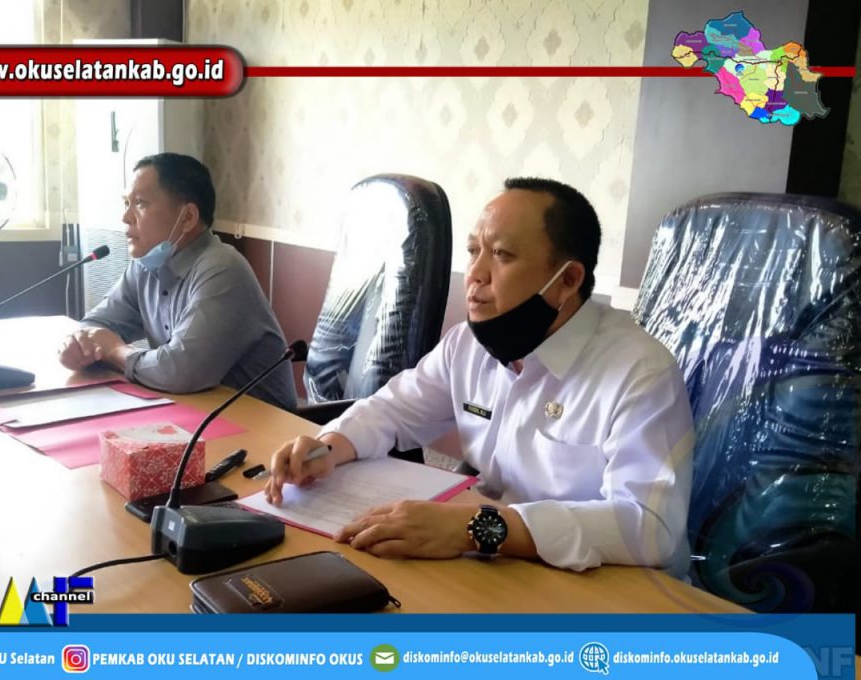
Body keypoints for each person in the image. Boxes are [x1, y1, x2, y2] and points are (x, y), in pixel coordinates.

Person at [265, 178, 694, 574]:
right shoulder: (468, 345)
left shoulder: (640, 372)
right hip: (500, 565)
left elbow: (649, 528)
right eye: (474, 251)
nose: (475, 274)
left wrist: (475, 526)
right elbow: (392, 410)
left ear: (567, 279)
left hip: (608, 589)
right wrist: (327, 447)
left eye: (502, 255)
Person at [58, 153, 297, 411]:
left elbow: (180, 371)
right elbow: (98, 323)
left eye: (140, 203)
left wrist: (115, 351)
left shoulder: (222, 269)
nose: (125, 217)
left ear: (188, 217)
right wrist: (80, 345)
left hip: (261, 423)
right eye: (126, 203)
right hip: (195, 411)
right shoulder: (144, 266)